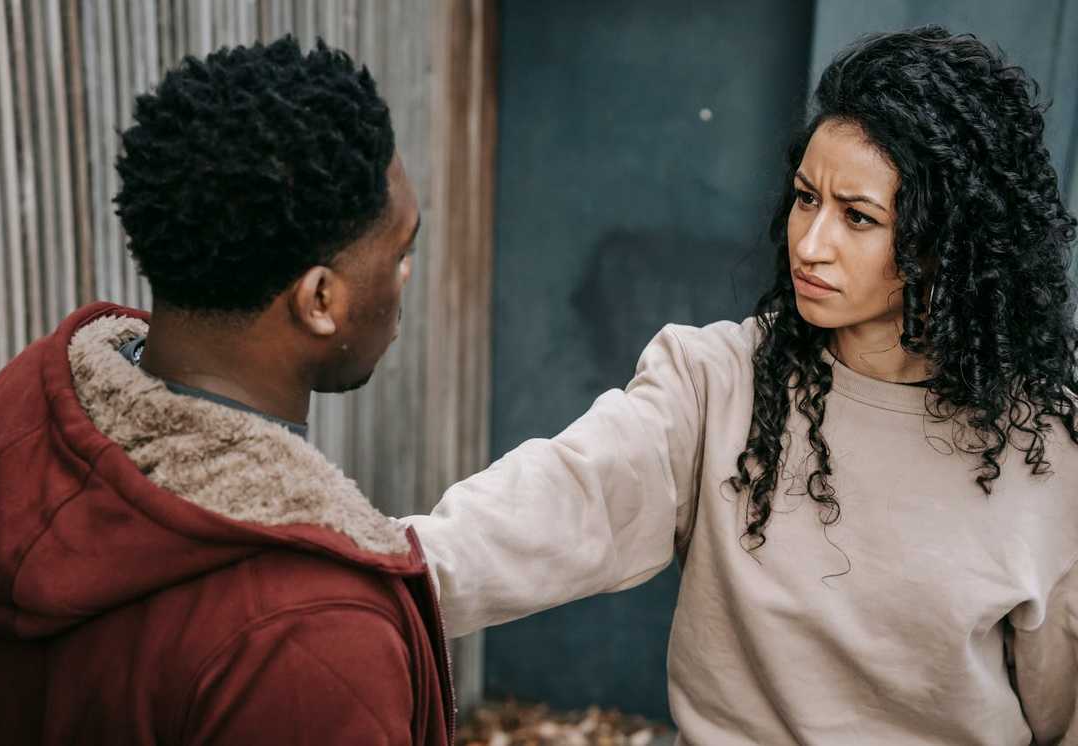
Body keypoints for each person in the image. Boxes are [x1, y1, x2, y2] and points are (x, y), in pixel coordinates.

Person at [405, 26, 1078, 745]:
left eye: (858, 217)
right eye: (804, 198)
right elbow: (561, 500)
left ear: (947, 241)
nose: (810, 243)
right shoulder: (716, 383)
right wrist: (374, 570)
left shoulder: (1047, 453)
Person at [0, 37, 452, 745]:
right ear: (319, 299)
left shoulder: (9, 426)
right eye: (400, 253)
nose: (404, 277)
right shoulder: (312, 635)